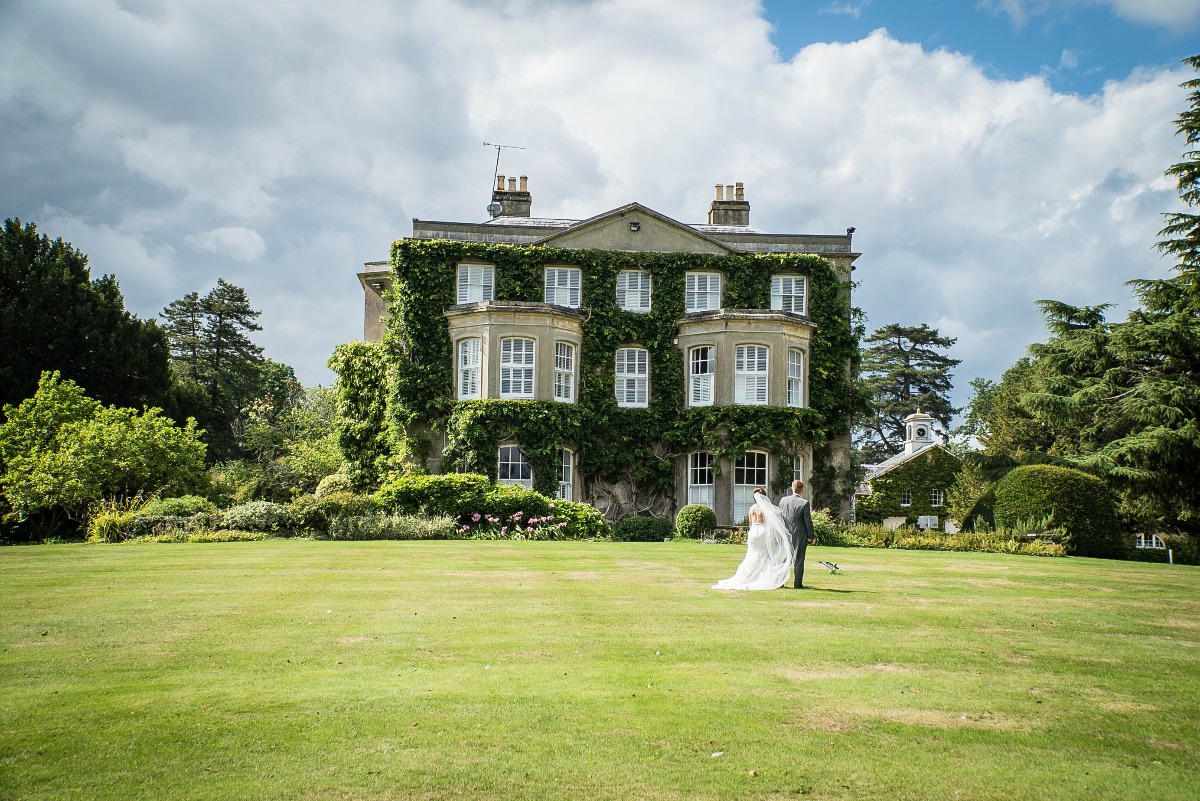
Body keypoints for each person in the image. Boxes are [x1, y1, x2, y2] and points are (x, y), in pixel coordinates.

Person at [712, 488, 794, 591]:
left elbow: (751, 523)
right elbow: (770, 523)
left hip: (754, 531)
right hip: (763, 531)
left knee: (752, 554)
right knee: (765, 554)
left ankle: (748, 576)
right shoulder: (767, 508)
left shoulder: (752, 508)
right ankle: (763, 577)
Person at [778, 479, 814, 589]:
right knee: (799, 559)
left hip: (785, 532)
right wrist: (812, 536)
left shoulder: (783, 500)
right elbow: (808, 521)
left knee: (785, 558)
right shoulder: (804, 503)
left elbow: (780, 516)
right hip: (799, 533)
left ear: (792, 488)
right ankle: (797, 584)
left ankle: (780, 582)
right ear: (802, 490)